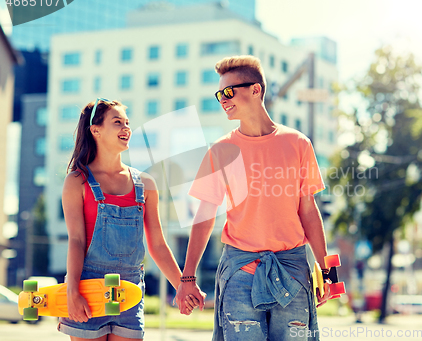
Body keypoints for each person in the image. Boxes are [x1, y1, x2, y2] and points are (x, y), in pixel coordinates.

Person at [175, 56, 336, 340]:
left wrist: (327, 271)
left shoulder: (298, 144)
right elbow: (204, 216)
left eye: (229, 92)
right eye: (219, 94)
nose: (223, 100)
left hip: (293, 271)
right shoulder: (221, 150)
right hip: (240, 273)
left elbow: (308, 211)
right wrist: (187, 278)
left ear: (255, 90)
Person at [58, 99, 201, 340]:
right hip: (89, 287)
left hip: (130, 291)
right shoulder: (76, 181)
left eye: (127, 123)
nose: (126, 129)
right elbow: (76, 241)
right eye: (117, 123)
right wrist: (72, 290)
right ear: (96, 130)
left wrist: (183, 285)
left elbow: (157, 244)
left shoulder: (145, 184)